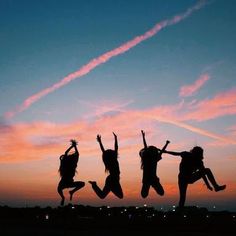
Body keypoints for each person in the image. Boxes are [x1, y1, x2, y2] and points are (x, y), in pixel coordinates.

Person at [89, 133, 123, 199]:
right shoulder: (112, 160)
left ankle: (94, 185)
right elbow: (115, 148)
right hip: (112, 179)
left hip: (113, 179)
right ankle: (96, 185)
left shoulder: (109, 160)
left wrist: (100, 141)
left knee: (102, 196)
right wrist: (115, 138)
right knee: (119, 196)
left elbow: (105, 150)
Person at [139, 130, 170, 198]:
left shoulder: (151, 159)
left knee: (160, 193)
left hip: (150, 179)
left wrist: (166, 144)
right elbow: (160, 151)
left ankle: (151, 187)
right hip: (150, 179)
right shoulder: (151, 159)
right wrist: (166, 144)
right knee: (145, 195)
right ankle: (151, 187)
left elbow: (161, 151)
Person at [57, 139, 85, 206]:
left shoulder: (73, 164)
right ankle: (63, 197)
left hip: (69, 182)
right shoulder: (66, 164)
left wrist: (74, 146)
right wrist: (73, 146)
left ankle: (72, 192)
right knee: (59, 189)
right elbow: (67, 153)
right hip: (64, 182)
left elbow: (76, 154)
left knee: (82, 184)